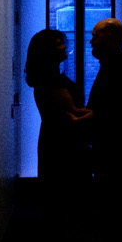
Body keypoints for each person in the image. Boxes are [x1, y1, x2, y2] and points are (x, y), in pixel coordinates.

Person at [24, 28, 91, 204]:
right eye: (59, 44)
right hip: (63, 145)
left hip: (54, 141)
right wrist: (100, 113)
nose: (64, 47)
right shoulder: (51, 81)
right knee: (65, 198)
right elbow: (74, 113)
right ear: (48, 51)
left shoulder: (47, 79)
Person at [85, 18, 122, 188]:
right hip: (117, 147)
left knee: (113, 200)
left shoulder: (117, 68)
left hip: (115, 150)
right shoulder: (116, 64)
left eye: (95, 36)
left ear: (110, 38)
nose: (91, 41)